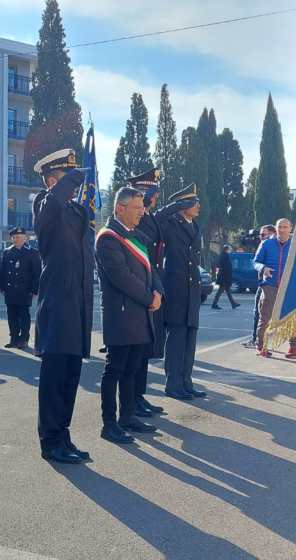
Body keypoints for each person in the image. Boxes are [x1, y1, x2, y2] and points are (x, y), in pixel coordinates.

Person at [32, 148, 93, 464]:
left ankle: (63, 435)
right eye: (68, 178)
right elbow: (53, 201)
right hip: (57, 303)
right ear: (54, 180)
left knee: (71, 374)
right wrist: (70, 180)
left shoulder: (77, 212)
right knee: (54, 376)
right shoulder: (45, 205)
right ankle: (50, 440)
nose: (76, 186)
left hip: (77, 304)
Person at [96, 186, 163, 445]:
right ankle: (109, 423)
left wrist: (157, 290)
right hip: (121, 315)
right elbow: (122, 278)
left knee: (132, 370)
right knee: (115, 369)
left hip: (139, 314)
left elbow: (150, 269)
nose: (142, 213)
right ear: (120, 208)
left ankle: (127, 416)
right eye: (137, 208)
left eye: (142, 207)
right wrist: (149, 297)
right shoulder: (108, 238)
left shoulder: (136, 235)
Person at [158, 184, 206, 400]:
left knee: (190, 339)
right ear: (183, 204)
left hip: (192, 288)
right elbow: (155, 219)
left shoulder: (194, 225)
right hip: (175, 287)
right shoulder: (170, 224)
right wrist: (174, 206)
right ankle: (173, 384)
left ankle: (186, 382)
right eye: (193, 202)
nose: (198, 206)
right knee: (176, 339)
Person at [130, 168, 167, 416]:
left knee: (144, 351)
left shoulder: (150, 216)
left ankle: (139, 396)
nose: (153, 198)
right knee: (136, 352)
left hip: (151, 283)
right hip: (142, 286)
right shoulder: (139, 219)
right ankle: (132, 399)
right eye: (151, 193)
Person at [254, 219, 296, 359]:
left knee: (293, 316)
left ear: (290, 228)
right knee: (266, 317)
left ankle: (294, 346)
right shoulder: (266, 243)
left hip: (290, 286)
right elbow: (255, 262)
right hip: (269, 284)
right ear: (276, 228)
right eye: (280, 227)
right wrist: (263, 268)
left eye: (285, 227)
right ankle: (261, 346)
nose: (282, 229)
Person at [0, 226, 40, 348]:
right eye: (14, 237)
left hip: (24, 290)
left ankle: (24, 339)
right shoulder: (7, 252)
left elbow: (36, 273)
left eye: (18, 237)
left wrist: (34, 290)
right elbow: (3, 271)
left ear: (25, 238)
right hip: (10, 289)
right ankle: (13, 338)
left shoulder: (32, 253)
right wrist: (2, 287)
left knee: (23, 315)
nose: (15, 239)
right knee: (11, 315)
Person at [244, 225, 276, 349]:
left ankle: (257, 340)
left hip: (271, 284)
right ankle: (257, 339)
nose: (260, 237)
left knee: (263, 313)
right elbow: (256, 262)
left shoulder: (273, 246)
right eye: (260, 235)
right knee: (260, 313)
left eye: (263, 235)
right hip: (263, 283)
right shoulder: (265, 246)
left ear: (273, 233)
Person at [211, 244, 239, 310]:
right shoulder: (225, 256)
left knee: (227, 291)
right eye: (229, 249)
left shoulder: (223, 255)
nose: (230, 250)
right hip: (224, 277)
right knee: (220, 292)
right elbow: (226, 267)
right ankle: (214, 304)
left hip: (223, 277)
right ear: (226, 249)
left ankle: (233, 304)